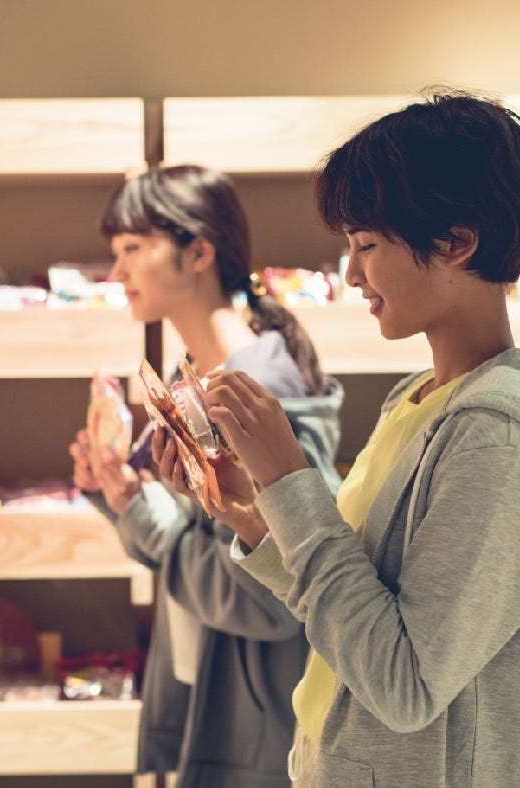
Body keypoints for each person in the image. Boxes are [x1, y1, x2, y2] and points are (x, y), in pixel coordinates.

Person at [155, 90, 520, 786]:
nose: (352, 273)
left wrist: (292, 480)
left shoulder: (498, 435)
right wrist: (256, 514)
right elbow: (355, 611)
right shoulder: (416, 399)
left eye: (366, 245)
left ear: (455, 242)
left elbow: (404, 683)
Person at [68, 164, 344, 787]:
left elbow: (273, 594)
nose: (118, 273)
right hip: (210, 694)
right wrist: (118, 494)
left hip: (257, 725)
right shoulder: (196, 373)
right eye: (117, 253)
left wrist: (146, 515)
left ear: (199, 252)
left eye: (135, 249)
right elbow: (191, 544)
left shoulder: (257, 392)